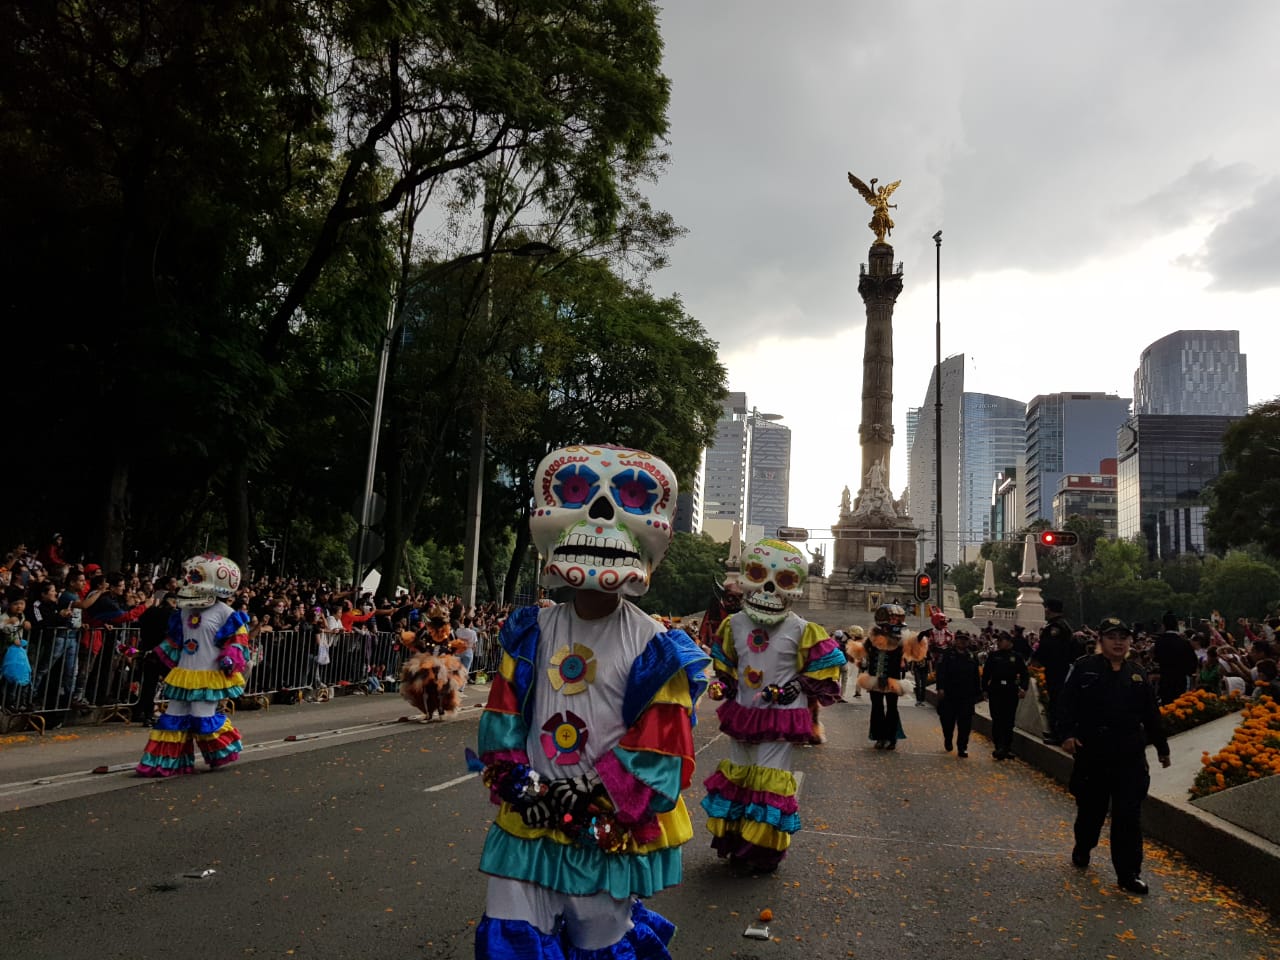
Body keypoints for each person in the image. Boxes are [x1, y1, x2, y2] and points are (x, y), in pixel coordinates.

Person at [473, 444, 709, 958]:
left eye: (626, 499)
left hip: (603, 828)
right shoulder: (531, 631)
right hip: (530, 821)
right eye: (578, 495)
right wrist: (521, 782)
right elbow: (504, 716)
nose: (600, 515)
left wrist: (591, 792)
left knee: (599, 942)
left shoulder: (654, 645)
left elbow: (661, 749)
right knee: (510, 938)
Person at [703, 537, 843, 872]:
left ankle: (760, 851)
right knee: (740, 774)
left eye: (782, 581)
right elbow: (726, 664)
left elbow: (825, 669)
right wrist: (721, 684)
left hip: (781, 715)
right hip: (743, 710)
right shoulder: (732, 624)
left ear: (792, 588)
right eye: (758, 574)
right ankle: (736, 841)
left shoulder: (802, 629)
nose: (768, 588)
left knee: (769, 778)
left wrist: (793, 688)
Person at [1058, 617, 1171, 896]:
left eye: (1124, 637)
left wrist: (1162, 747)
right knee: (1091, 811)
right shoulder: (1084, 668)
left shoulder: (1137, 673)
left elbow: (1151, 714)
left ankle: (1129, 873)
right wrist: (1067, 735)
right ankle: (1083, 845)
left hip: (1129, 754)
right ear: (1101, 640)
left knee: (1128, 816)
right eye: (1112, 637)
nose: (1119, 642)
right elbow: (1065, 703)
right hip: (1093, 752)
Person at [136, 554, 251, 776]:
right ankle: (166, 762)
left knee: (201, 717)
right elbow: (175, 642)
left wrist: (230, 658)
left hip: (208, 675)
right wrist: (154, 654)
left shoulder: (226, 613)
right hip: (185, 673)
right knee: (172, 718)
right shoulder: (184, 611)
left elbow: (237, 641)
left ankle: (224, 748)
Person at [849, 604, 928, 750]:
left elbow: (914, 652)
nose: (895, 621)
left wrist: (920, 638)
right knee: (877, 708)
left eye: (897, 618)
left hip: (892, 680)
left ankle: (892, 737)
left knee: (892, 708)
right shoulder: (871, 639)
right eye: (892, 618)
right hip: (874, 680)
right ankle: (879, 737)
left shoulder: (901, 639)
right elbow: (861, 653)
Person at [1033, 598, 1076, 744]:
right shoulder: (1065, 625)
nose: (1044, 611)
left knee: (1056, 701)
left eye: (1046, 608)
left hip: (1056, 669)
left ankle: (1058, 734)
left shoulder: (1055, 628)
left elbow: (1047, 648)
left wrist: (1035, 660)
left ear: (1050, 610)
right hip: (1062, 668)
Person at [982, 630, 1029, 760]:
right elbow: (986, 674)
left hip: (1010, 689)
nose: (998, 643)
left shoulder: (1016, 657)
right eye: (998, 641)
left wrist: (1023, 688)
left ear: (1009, 642)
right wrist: (984, 689)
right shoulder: (993, 656)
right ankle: (998, 746)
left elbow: (1025, 674)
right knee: (997, 719)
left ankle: (1007, 747)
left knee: (1009, 720)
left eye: (1001, 641)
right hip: (996, 689)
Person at [935, 630, 982, 757]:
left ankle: (962, 747)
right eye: (960, 639)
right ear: (956, 640)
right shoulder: (947, 654)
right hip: (949, 694)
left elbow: (976, 676)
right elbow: (940, 672)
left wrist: (978, 693)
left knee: (965, 723)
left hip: (966, 695)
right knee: (947, 721)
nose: (962, 641)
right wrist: (940, 688)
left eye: (965, 639)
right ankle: (948, 738)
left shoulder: (971, 656)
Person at [1151, 612, 1198, 705]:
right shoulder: (1184, 642)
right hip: (1181, 680)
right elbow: (1193, 661)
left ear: (1163, 625)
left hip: (1165, 680)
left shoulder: (1159, 642)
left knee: (1167, 706)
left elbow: (1155, 659)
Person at [916, 611, 953, 706]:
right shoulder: (930, 632)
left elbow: (951, 643)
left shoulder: (948, 633)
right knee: (939, 674)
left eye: (943, 622)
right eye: (941, 622)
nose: (943, 624)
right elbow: (920, 636)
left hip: (945, 655)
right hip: (934, 656)